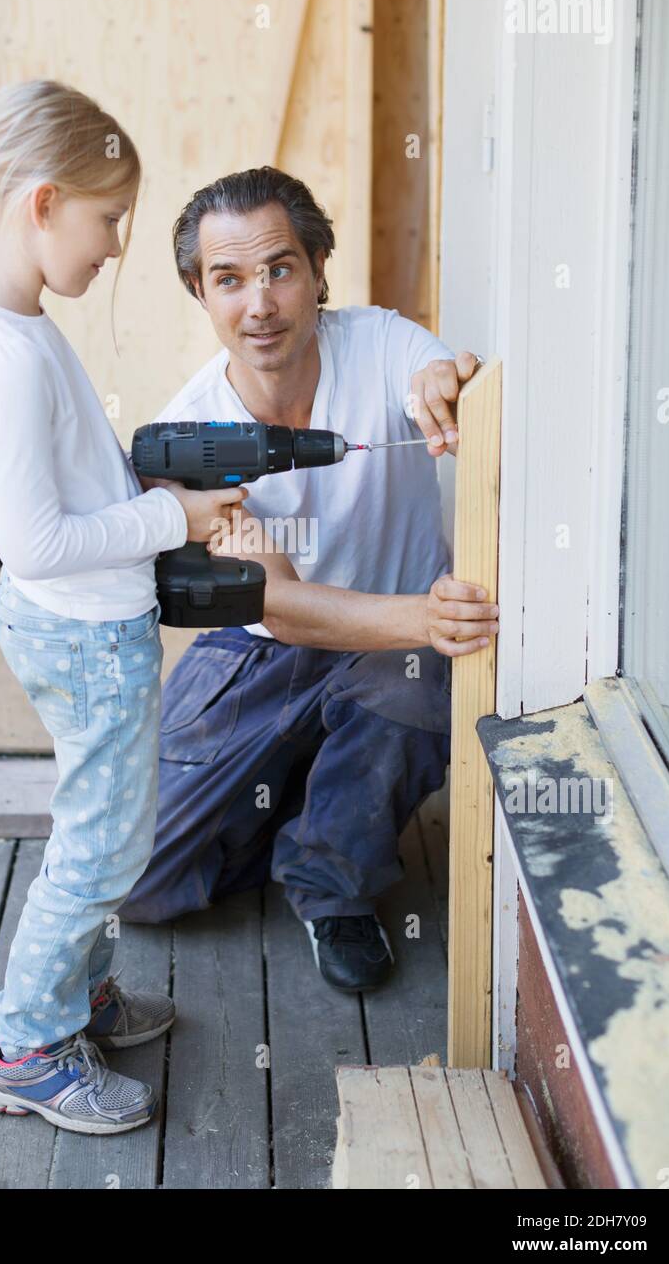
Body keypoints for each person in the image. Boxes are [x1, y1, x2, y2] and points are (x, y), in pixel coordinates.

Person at [0, 79, 246, 1134]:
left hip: (92, 624)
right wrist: (168, 521)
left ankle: (78, 994)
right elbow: (36, 539)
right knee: (101, 851)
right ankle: (22, 1047)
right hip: (82, 632)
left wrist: (140, 497)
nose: (114, 246)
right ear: (43, 202)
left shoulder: (18, 321)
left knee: (102, 827)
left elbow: (65, 487)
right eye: (108, 220)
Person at [124, 166, 499, 992]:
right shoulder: (192, 436)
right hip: (263, 642)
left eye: (279, 269)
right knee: (140, 881)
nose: (258, 304)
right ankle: (304, 798)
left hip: (395, 649)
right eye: (228, 279)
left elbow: (440, 380)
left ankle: (331, 884)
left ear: (319, 269)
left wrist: (451, 385)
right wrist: (424, 618)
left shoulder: (386, 344)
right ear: (201, 291)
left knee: (413, 683)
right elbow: (279, 605)